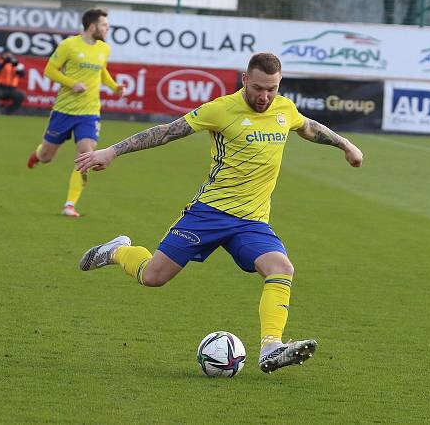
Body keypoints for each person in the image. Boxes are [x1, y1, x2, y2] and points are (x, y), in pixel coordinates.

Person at [75, 53, 364, 373]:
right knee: (153, 277)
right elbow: (167, 131)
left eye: (272, 89)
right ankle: (118, 251)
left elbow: (308, 127)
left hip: (252, 221)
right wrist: (112, 151)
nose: (264, 97)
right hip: (209, 214)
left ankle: (271, 347)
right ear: (244, 80)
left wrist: (345, 145)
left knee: (281, 268)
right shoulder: (220, 109)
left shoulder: (284, 109)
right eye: (258, 88)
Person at [26, 8, 125, 217]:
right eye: (105, 25)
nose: (108, 29)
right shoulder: (68, 45)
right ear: (92, 26)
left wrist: (115, 87)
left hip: (89, 113)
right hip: (64, 111)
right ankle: (38, 154)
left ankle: (70, 204)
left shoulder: (104, 48)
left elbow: (102, 71)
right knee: (46, 156)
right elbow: (49, 70)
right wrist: (72, 84)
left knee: (85, 154)